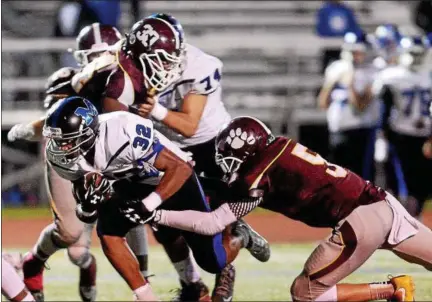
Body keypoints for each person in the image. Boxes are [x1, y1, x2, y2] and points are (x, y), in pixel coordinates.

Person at [146, 116, 432, 302]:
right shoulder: (280, 147)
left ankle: (392, 289)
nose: (226, 165)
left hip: (358, 221)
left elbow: (212, 223)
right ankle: (397, 289)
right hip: (383, 203)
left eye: (229, 158)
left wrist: (156, 214)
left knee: (305, 293)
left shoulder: (257, 177)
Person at [100, 13, 269, 301]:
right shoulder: (125, 70)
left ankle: (229, 258)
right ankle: (192, 284)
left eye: (173, 58)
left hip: (211, 145)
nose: (172, 65)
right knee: (165, 228)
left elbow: (190, 126)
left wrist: (155, 111)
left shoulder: (199, 65)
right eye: (164, 60)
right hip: (167, 149)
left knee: (211, 231)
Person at [41, 96, 270, 301]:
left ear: (89, 133)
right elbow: (84, 196)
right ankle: (146, 296)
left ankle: (240, 236)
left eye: (68, 140)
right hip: (131, 183)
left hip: (173, 178)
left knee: (213, 261)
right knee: (109, 231)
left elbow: (178, 168)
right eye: (58, 140)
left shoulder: (123, 130)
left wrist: (148, 205)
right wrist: (87, 206)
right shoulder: (62, 157)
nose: (61, 147)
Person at [6, 23, 150, 302]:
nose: (99, 61)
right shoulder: (70, 81)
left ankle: (147, 279)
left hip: (111, 153)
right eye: (92, 56)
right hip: (72, 157)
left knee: (133, 205)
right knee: (71, 237)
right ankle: (35, 261)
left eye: (104, 54)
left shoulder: (129, 81)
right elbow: (52, 127)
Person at [373, 35, 432, 219]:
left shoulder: (396, 76)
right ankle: (404, 217)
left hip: (423, 134)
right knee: (399, 178)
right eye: (412, 54)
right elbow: (383, 107)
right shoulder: (392, 76)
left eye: (419, 54)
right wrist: (382, 132)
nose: (415, 59)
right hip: (400, 133)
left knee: (421, 180)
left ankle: (413, 216)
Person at [318, 31, 379, 181]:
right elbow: (323, 103)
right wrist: (331, 83)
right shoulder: (336, 68)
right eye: (352, 51)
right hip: (338, 130)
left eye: (358, 51)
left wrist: (349, 84)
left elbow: (360, 106)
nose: (355, 55)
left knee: (361, 179)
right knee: (336, 178)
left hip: (360, 130)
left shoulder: (372, 72)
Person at [316, 0, 363, 73]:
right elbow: (320, 29)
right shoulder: (324, 10)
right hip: (328, 45)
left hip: (345, 45)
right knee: (326, 68)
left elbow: (353, 27)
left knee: (346, 66)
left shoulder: (347, 10)